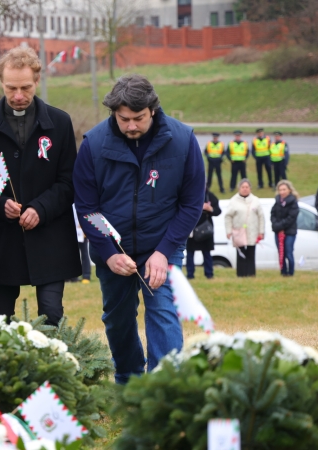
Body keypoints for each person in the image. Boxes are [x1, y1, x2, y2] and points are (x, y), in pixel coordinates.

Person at [73, 74, 205, 384]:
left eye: (139, 118)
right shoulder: (94, 144)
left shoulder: (183, 140)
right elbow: (87, 206)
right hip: (113, 249)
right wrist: (107, 254)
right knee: (118, 321)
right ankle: (130, 382)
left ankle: (163, 388)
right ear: (113, 114)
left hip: (162, 245)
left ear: (153, 111)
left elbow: (190, 204)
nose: (131, 125)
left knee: (163, 313)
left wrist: (163, 252)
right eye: (124, 119)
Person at [0, 47, 80, 326]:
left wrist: (40, 208)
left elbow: (69, 182)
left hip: (50, 238)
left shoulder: (59, 123)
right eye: (11, 88)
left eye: (25, 87)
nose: (18, 96)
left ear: (37, 81)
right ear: (1, 83)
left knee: (51, 314)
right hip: (1, 242)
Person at [224, 179, 265, 277]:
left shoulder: (255, 200)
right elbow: (228, 216)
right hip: (239, 232)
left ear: (250, 188)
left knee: (251, 252)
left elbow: (261, 217)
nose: (245, 189)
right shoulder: (233, 201)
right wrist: (229, 231)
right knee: (240, 253)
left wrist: (261, 231)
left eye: (247, 187)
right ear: (239, 188)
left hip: (252, 231)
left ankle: (251, 274)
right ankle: (241, 274)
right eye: (243, 187)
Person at [186, 186, 221, 280]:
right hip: (192, 228)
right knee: (190, 253)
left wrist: (210, 209)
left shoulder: (210, 196)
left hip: (206, 230)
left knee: (207, 253)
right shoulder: (189, 194)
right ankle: (190, 274)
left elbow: (218, 211)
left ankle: (209, 274)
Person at [271, 180, 299, 277]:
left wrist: (280, 226)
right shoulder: (277, 201)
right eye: (280, 190)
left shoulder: (293, 203)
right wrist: (276, 225)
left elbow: (291, 218)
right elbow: (273, 214)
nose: (282, 192)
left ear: (289, 190)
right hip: (278, 231)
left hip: (289, 232)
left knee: (288, 252)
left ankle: (290, 272)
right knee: (280, 252)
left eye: (284, 189)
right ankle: (283, 271)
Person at [71, 205, 91, 284]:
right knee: (72, 254)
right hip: (72, 231)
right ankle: (72, 277)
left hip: (82, 231)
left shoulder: (81, 202)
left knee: (84, 253)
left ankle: (86, 276)